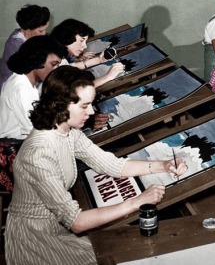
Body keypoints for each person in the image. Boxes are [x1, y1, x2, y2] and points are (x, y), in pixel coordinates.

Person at [4, 66, 188, 265]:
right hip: (33, 238)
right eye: (84, 106)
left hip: (53, 227)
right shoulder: (38, 153)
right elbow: (76, 222)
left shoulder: (68, 132)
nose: (91, 111)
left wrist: (164, 164)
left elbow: (111, 165)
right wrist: (137, 202)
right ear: (60, 105)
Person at [0, 35, 65, 140]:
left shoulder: (27, 83)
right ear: (38, 60)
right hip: (13, 147)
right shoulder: (21, 87)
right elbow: (33, 128)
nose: (55, 70)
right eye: (53, 64)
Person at [51, 18, 125, 88]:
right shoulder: (53, 62)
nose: (85, 46)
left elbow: (67, 67)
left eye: (85, 42)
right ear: (67, 37)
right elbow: (75, 91)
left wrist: (99, 60)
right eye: (81, 41)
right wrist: (108, 77)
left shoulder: (57, 55)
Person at [1, 4, 51, 89]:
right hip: (13, 86)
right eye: (40, 31)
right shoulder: (16, 44)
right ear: (27, 29)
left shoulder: (26, 37)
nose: (44, 33)